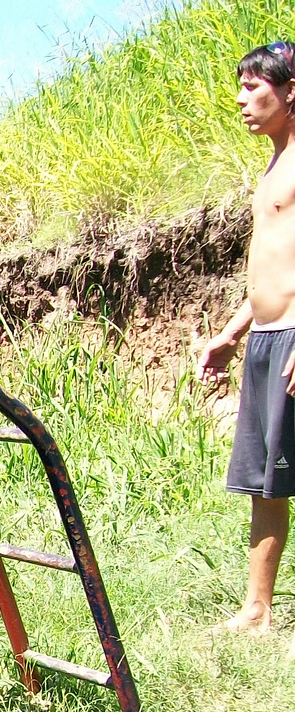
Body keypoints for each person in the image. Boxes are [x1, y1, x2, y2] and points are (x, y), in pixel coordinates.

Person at [198, 42, 295, 645]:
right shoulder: (273, 166)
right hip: (266, 337)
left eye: (254, 87)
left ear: (290, 92)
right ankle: (257, 609)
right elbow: (271, 268)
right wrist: (232, 335)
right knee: (269, 479)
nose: (241, 99)